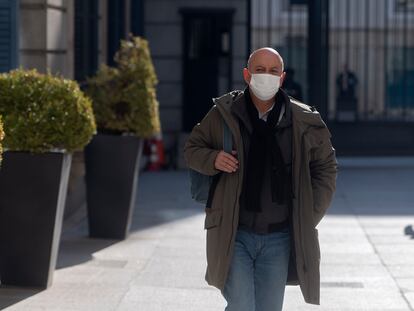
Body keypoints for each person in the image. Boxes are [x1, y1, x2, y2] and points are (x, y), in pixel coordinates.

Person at [184, 47, 337, 311]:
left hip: (279, 237)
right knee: (242, 305)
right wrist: (213, 159)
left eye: (273, 71)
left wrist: (308, 214)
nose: (266, 76)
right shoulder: (224, 113)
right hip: (234, 233)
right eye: (259, 70)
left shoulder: (303, 120)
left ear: (282, 77)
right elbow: (192, 150)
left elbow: (325, 166)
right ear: (246, 74)